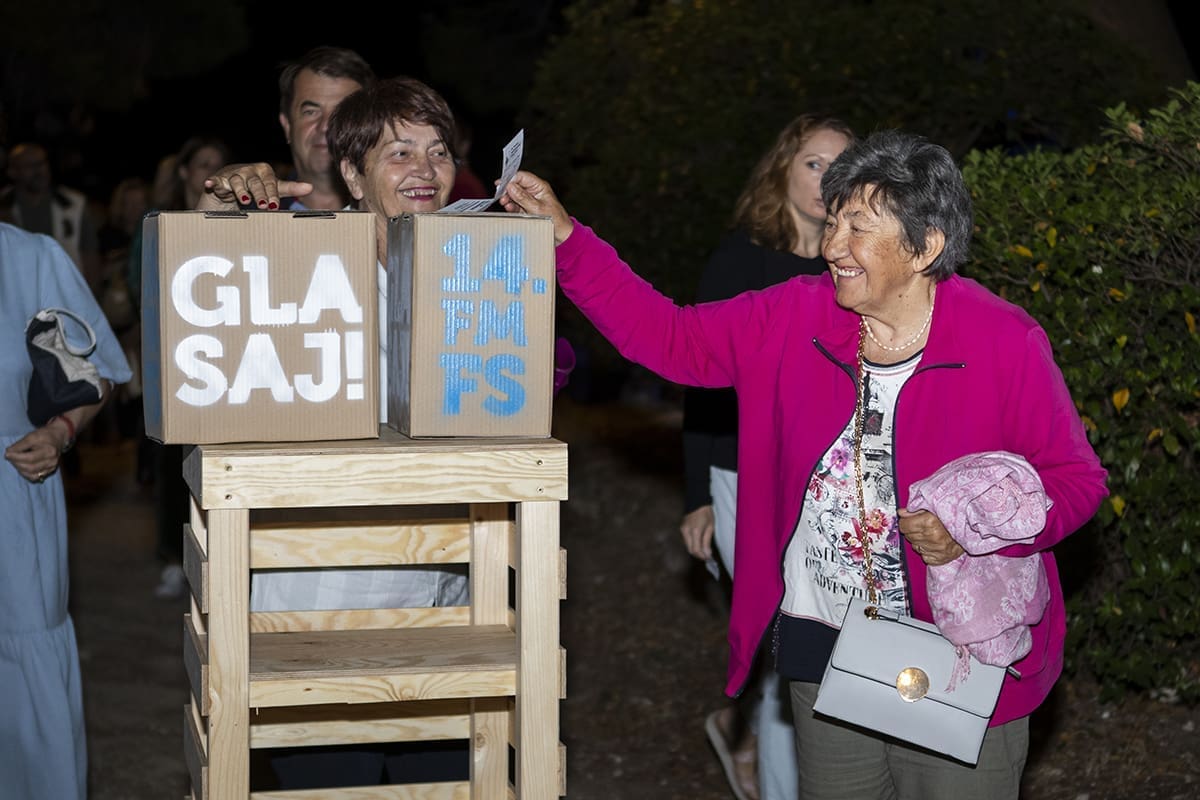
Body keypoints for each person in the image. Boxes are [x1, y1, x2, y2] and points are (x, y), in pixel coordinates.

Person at [499, 129, 1108, 799]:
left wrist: (974, 530)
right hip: (827, 644)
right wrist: (567, 239)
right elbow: (669, 337)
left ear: (925, 247)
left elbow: (1076, 479)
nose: (832, 245)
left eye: (858, 227)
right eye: (833, 220)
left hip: (959, 655)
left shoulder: (1002, 340)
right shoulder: (794, 314)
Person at [198, 74, 469, 789]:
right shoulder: (305, 264)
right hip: (321, 612)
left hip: (442, 610)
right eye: (399, 153)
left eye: (438, 151)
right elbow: (215, 289)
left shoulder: (469, 273)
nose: (424, 169)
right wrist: (216, 208)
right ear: (352, 174)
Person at [680, 114, 852, 800]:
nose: (826, 180)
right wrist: (697, 495)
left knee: (812, 633)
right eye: (814, 163)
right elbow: (699, 381)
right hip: (742, 473)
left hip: (827, 483)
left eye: (840, 167)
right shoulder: (740, 261)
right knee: (788, 636)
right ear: (782, 167)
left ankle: (741, 728)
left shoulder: (853, 268)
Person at [0, 223, 132, 798]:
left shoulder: (28, 258)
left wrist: (58, 432)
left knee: (23, 684)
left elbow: (98, 374)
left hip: (13, 496)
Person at [126, 136, 232, 600]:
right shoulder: (160, 221)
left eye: (219, 163)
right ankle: (173, 556)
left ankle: (221, 557)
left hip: (223, 357)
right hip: (174, 356)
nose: (212, 171)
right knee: (174, 462)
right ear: (186, 172)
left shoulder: (238, 219)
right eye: (204, 163)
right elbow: (140, 281)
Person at [276, 46, 377, 211]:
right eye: (311, 112)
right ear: (287, 125)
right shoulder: (250, 213)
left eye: (342, 113)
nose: (326, 126)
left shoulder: (398, 215)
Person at [1, 142, 102, 293]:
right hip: (16, 293)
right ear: (12, 171)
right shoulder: (3, 207)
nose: (39, 170)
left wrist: (90, 294)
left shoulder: (73, 204)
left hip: (65, 292)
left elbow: (90, 254)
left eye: (42, 163)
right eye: (30, 166)